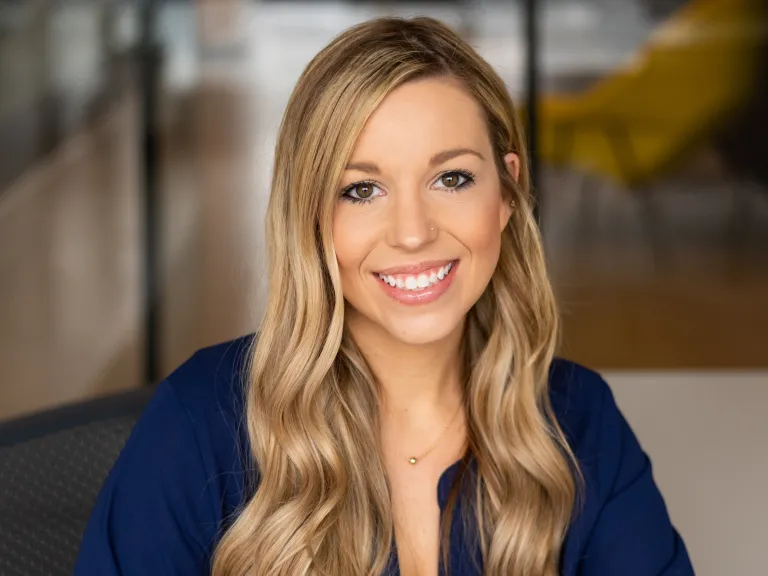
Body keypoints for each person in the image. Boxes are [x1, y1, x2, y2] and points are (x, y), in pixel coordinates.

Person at [74, 16, 695, 576]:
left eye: (451, 179)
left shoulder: (579, 420)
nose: (413, 232)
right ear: (310, 218)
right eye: (361, 191)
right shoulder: (199, 423)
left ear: (506, 194)